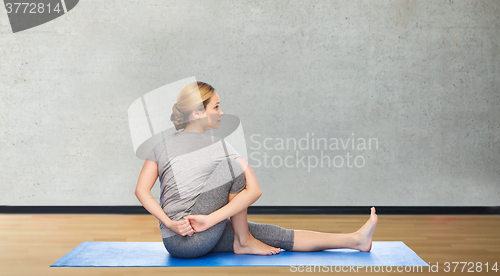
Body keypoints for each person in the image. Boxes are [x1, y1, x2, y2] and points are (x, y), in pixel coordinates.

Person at [134, 81, 378, 258]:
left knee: (271, 234)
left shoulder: (160, 146)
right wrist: (209, 220)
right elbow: (254, 190)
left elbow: (141, 191)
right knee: (235, 167)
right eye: (216, 107)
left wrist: (171, 223)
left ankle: (355, 240)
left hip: (175, 242)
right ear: (197, 112)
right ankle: (243, 241)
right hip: (197, 234)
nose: (221, 113)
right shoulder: (220, 147)